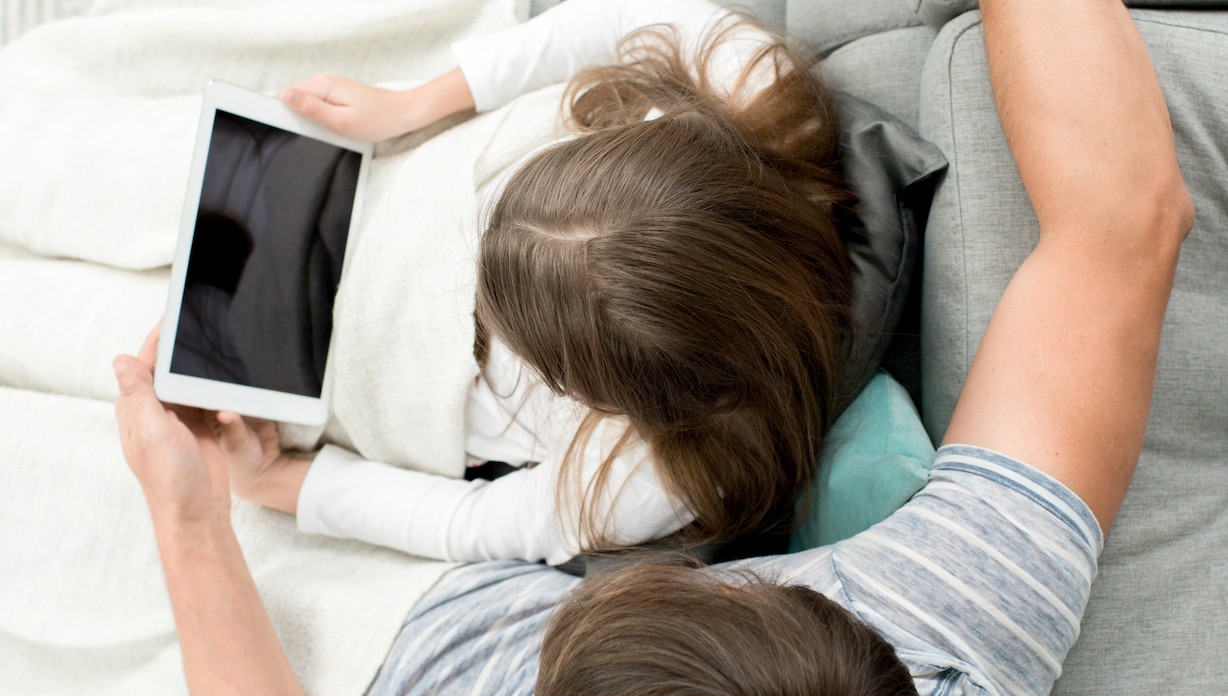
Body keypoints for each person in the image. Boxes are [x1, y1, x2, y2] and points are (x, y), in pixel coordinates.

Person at [111, 0, 1194, 694]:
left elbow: (496, 527)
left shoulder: (632, 492)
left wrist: (203, 515)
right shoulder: (947, 625)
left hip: (376, 608)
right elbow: (1120, 224)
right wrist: (428, 100)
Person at [175, 0, 853, 569]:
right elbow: (625, 14)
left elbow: (476, 523)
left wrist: (274, 480)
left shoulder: (664, 473)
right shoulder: (768, 103)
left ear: (592, 390)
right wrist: (414, 105)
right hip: (389, 187)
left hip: (382, 378)